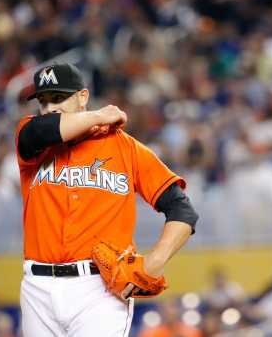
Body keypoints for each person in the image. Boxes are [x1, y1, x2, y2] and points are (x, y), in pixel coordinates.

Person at [15, 63, 199, 337]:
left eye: (58, 98)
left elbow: (182, 210)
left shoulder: (127, 150)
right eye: (43, 101)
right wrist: (99, 116)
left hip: (98, 289)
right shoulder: (31, 138)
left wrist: (155, 261)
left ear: (83, 97)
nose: (50, 107)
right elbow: (46, 129)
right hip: (37, 288)